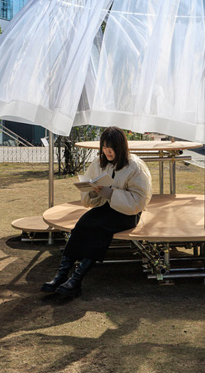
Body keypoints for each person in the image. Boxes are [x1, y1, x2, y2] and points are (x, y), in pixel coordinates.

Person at [41, 126, 152, 297]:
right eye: (105, 147)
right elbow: (88, 196)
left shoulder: (135, 166)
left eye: (111, 147)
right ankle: (61, 274)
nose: (107, 151)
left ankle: (76, 279)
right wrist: (92, 191)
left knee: (100, 229)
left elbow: (139, 201)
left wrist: (111, 193)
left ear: (120, 147)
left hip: (128, 213)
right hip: (106, 208)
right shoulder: (99, 163)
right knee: (82, 224)